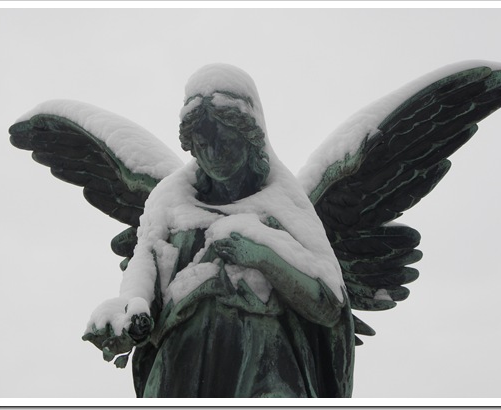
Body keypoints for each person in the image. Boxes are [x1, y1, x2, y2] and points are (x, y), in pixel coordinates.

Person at [85, 64, 354, 398]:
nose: (213, 155)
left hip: (264, 365)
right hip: (183, 363)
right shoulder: (170, 199)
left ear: (250, 137)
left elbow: (329, 304)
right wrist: (129, 315)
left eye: (225, 141)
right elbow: (146, 268)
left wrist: (263, 257)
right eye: (201, 143)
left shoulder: (283, 202)